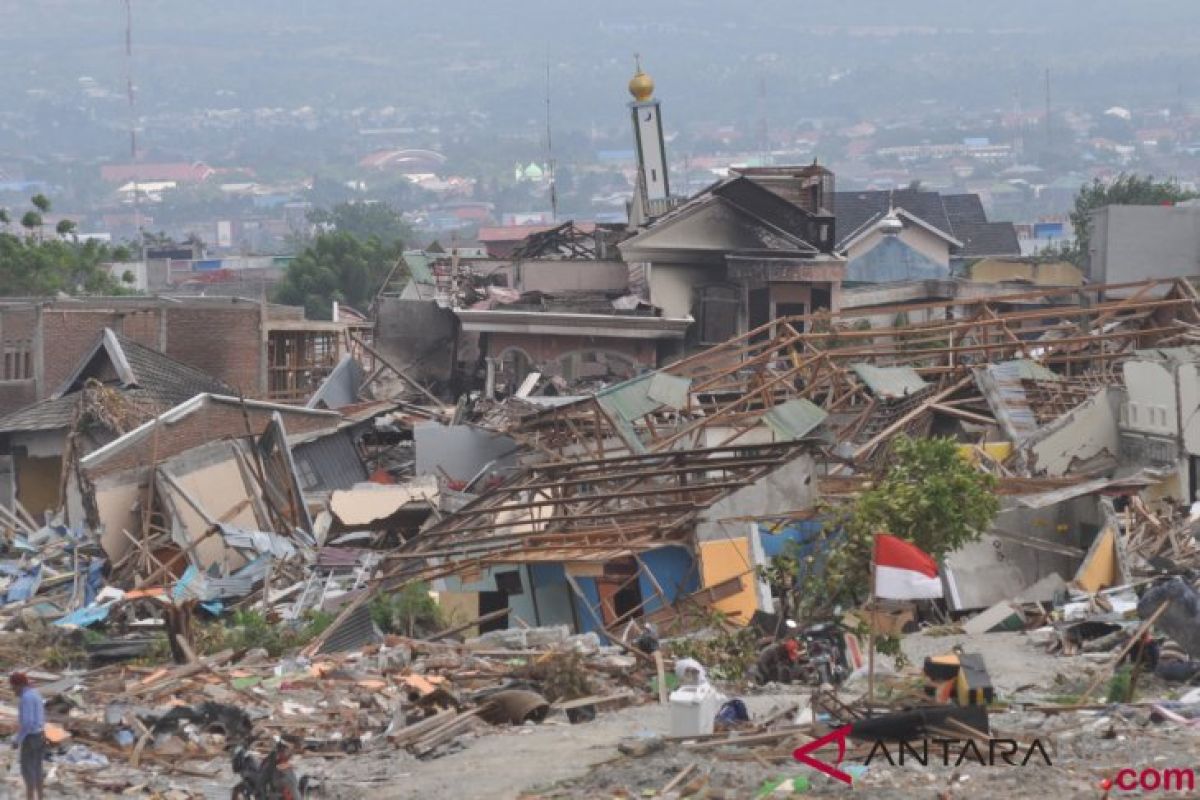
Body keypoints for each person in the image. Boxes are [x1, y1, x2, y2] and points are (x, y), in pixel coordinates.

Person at [10, 671, 44, 800]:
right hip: (40, 735)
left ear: (18, 685)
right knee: (37, 769)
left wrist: (17, 740)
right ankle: (40, 797)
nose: (13, 691)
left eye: (13, 687)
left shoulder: (26, 698)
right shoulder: (35, 693)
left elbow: (28, 723)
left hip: (31, 738)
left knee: (28, 771)